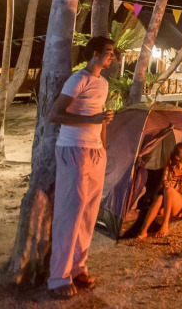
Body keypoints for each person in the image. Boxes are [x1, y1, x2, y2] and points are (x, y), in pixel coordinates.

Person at [47, 36, 116, 299]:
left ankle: (78, 266)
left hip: (95, 152)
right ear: (95, 53)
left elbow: (100, 118)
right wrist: (93, 119)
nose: (112, 56)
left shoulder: (104, 83)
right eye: (108, 52)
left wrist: (103, 148)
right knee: (71, 211)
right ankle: (58, 277)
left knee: (89, 212)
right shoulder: (78, 79)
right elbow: (54, 115)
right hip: (73, 148)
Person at [135, 143, 182, 238]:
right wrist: (165, 184)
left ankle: (165, 225)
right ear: (177, 157)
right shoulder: (169, 168)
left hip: (181, 206)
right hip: (166, 205)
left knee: (169, 190)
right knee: (160, 196)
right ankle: (143, 230)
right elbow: (162, 186)